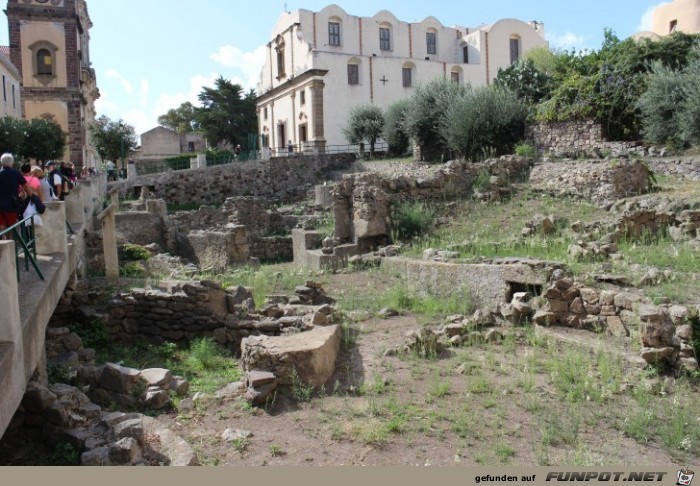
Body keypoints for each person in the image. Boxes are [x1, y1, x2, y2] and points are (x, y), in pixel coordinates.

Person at [0, 153, 30, 237]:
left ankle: (3, 243)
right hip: (12, 205)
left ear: (1, 162)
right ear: (11, 163)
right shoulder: (16, 173)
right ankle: (9, 246)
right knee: (11, 227)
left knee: (1, 226)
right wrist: (33, 197)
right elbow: (26, 187)